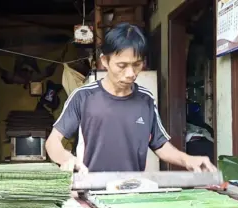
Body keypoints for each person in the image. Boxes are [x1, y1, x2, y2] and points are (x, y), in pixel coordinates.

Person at [45, 23, 217, 174]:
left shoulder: (146, 99)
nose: (130, 74)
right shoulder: (83, 96)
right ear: (104, 61)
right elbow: (52, 142)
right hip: (90, 190)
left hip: (132, 191)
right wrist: (65, 158)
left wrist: (187, 160)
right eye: (122, 65)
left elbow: (160, 145)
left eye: (137, 65)